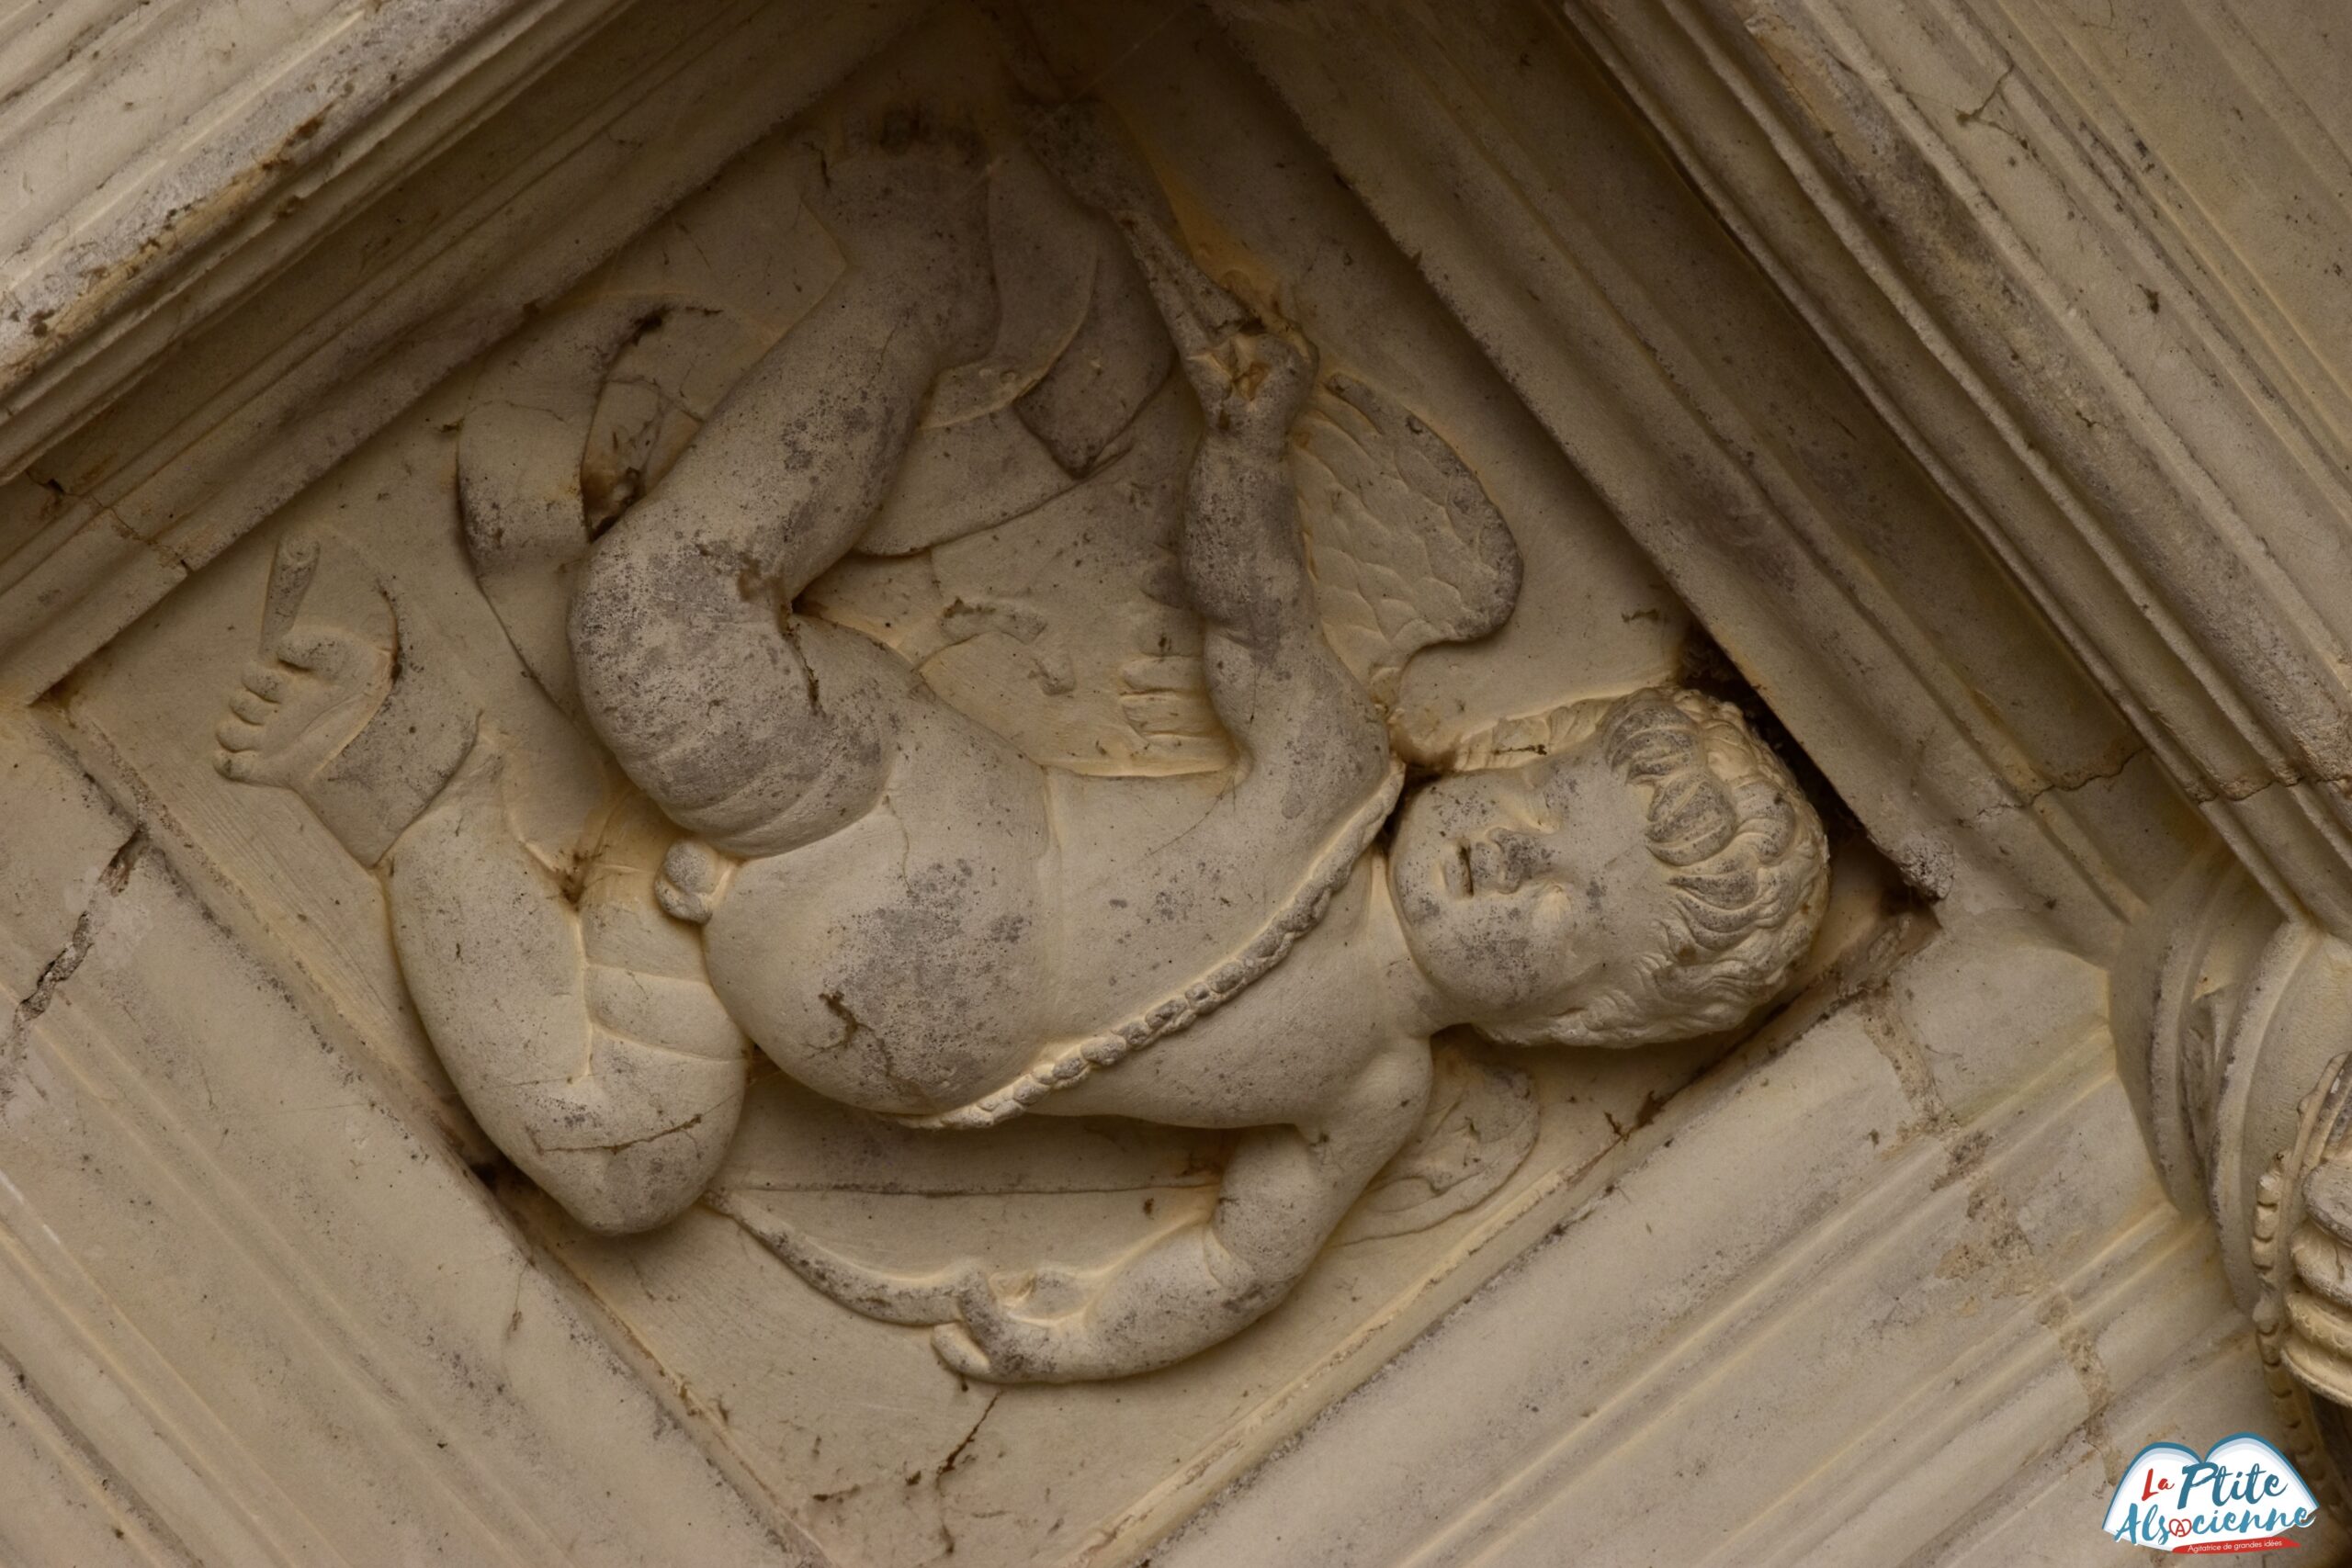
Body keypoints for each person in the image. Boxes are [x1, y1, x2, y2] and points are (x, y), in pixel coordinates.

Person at [218, 118, 1827, 1381]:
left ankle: (409, 783)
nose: (1522, 853)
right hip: (852, 793)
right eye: (1554, 801)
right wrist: (1248, 448)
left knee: (618, 1163)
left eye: (1568, 907)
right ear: (1516, 755)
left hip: (737, 987)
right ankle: (919, 291)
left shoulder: (1367, 1085)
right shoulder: (1333, 774)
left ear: (1580, 1024)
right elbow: (1252, 605)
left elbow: (1245, 1264)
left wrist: (1073, 1332)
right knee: (650, 624)